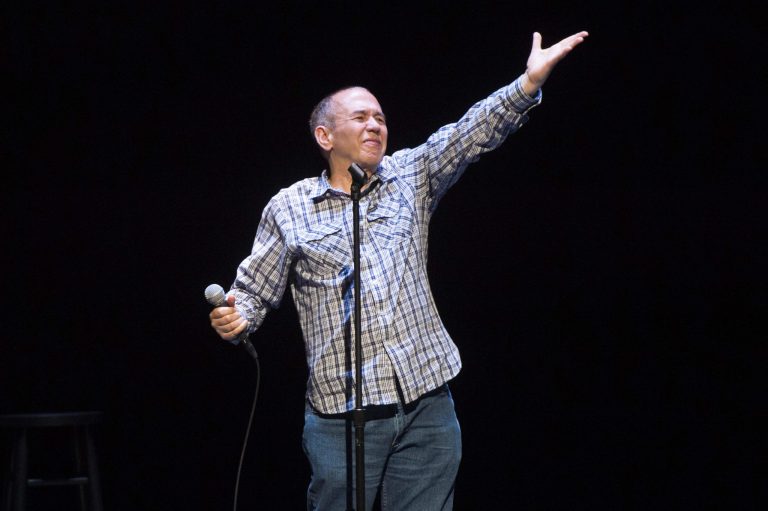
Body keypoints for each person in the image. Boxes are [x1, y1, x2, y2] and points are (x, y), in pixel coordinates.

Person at [210, 30, 588, 510]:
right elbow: (253, 292)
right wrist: (237, 315)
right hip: (342, 413)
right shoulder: (289, 208)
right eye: (360, 117)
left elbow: (468, 134)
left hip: (426, 399)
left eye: (380, 118)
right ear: (325, 136)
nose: (375, 125)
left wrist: (527, 84)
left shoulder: (410, 175)